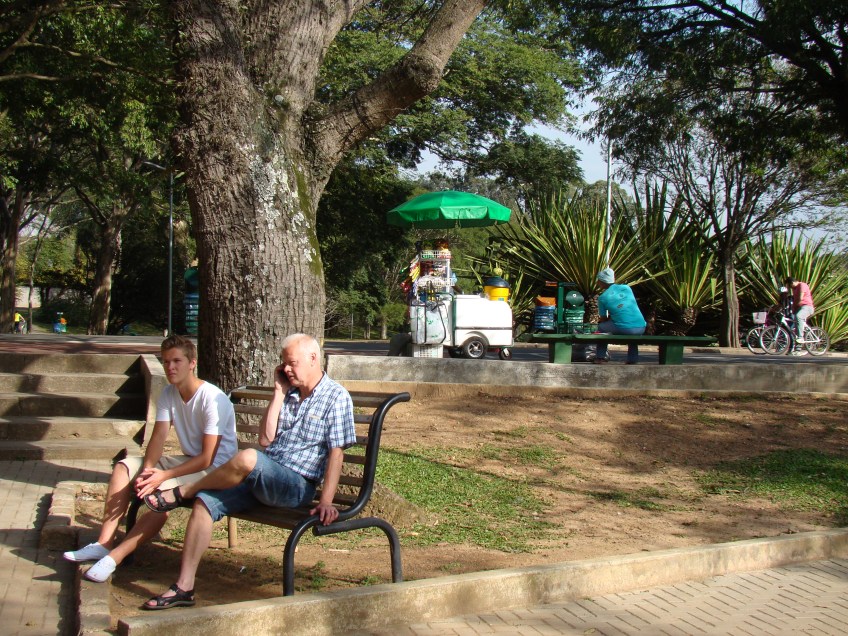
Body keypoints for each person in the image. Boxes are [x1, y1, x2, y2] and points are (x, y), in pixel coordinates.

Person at [141, 333, 356, 610]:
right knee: (205, 504)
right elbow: (266, 439)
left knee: (248, 458)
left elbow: (336, 453)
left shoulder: (335, 397)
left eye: (292, 363)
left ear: (313, 359)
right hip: (264, 478)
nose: (287, 369)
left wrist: (326, 501)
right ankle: (184, 586)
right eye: (284, 364)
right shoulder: (288, 393)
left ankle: (183, 491)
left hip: (295, 485)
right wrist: (278, 393)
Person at [63, 335, 238, 582]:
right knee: (124, 468)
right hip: (188, 461)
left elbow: (208, 458)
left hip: (216, 469)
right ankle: (103, 542)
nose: (170, 367)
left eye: (177, 361)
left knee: (160, 495)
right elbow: (157, 438)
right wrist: (146, 470)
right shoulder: (168, 393)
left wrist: (162, 476)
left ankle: (114, 558)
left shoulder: (211, 398)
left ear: (192, 363)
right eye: (166, 362)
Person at [594, 267, 646, 365]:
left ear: (602, 281)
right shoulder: (627, 288)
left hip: (625, 328)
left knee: (601, 328)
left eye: (598, 280)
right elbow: (624, 307)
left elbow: (603, 318)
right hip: (641, 326)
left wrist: (608, 319)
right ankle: (632, 359)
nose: (597, 282)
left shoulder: (602, 298)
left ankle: (600, 357)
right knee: (632, 334)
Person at [784, 277, 815, 353]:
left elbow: (800, 298)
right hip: (800, 307)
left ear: (792, 283)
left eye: (790, 286)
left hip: (807, 307)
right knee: (794, 322)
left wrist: (795, 307)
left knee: (799, 316)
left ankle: (800, 337)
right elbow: (795, 301)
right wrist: (793, 309)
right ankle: (796, 345)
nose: (790, 288)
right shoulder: (794, 289)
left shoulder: (802, 285)